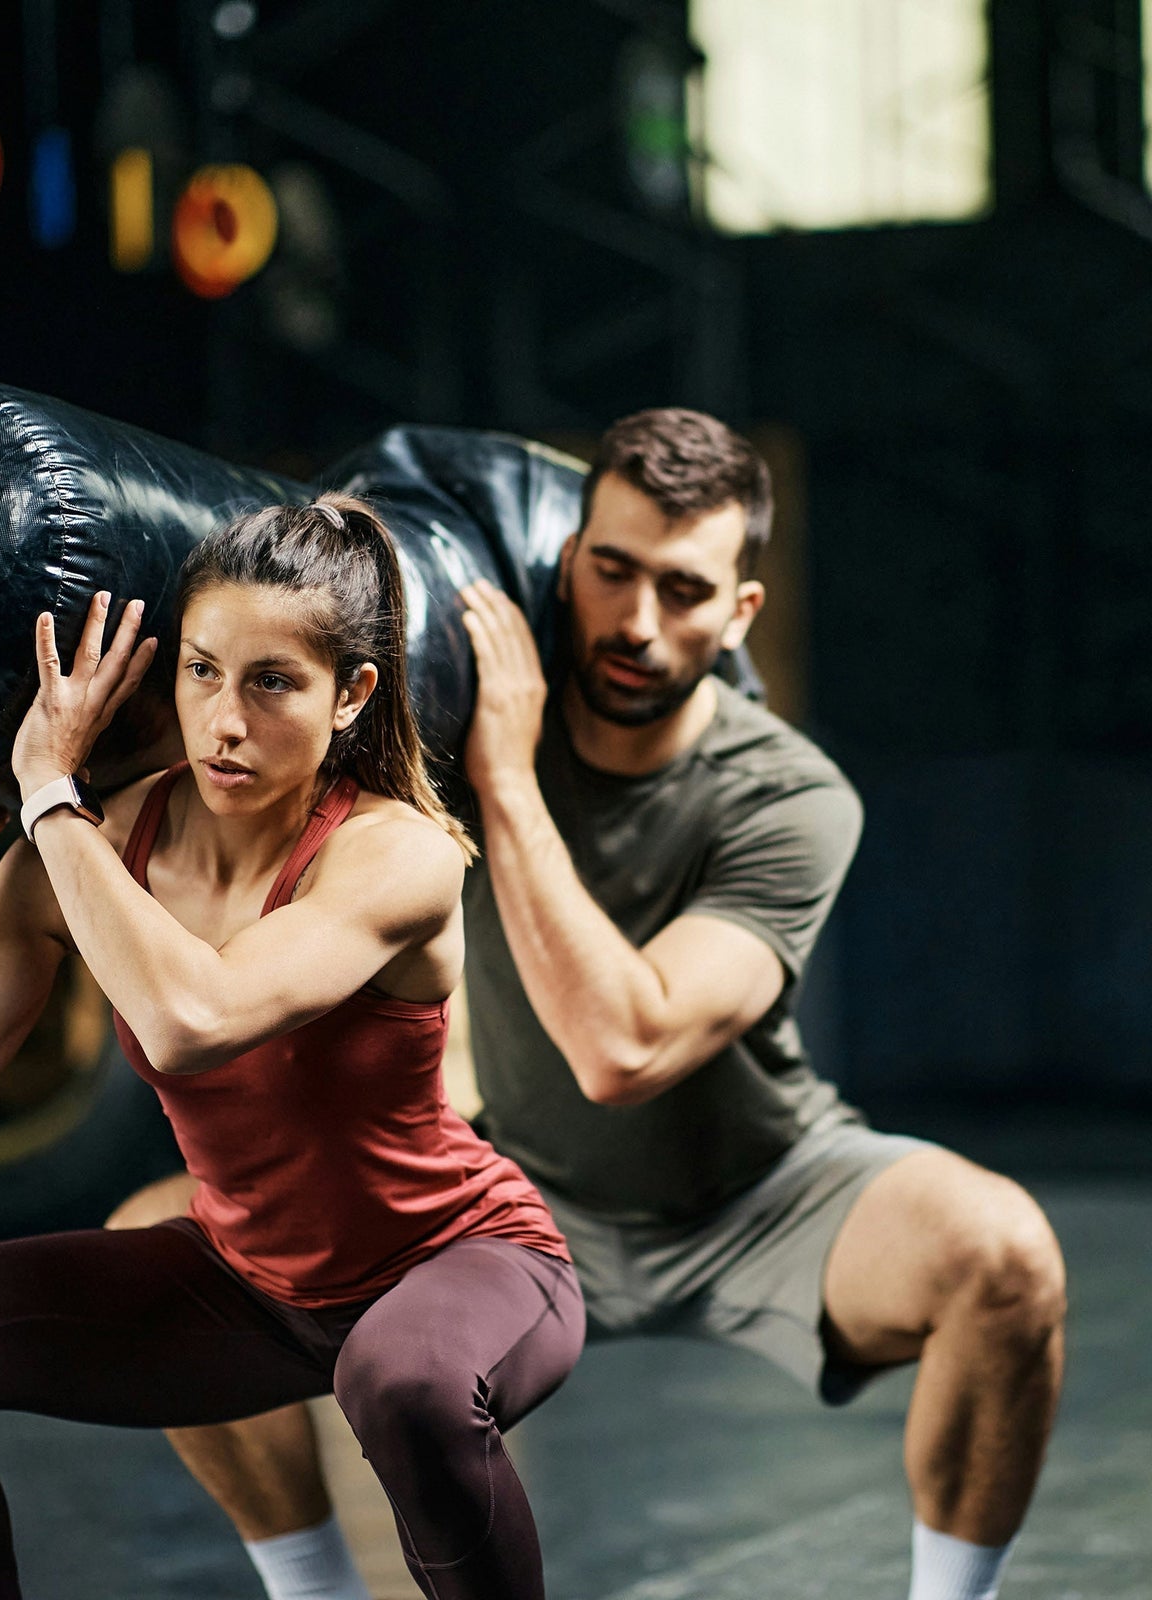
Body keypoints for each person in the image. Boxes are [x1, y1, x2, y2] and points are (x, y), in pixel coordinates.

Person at [116, 411, 1068, 1600]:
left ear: (740, 612)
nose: (636, 622)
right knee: (157, 1241)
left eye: (683, 589)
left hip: (756, 1188)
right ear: (566, 561)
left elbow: (628, 1048)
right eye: (612, 570)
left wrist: (509, 785)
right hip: (502, 1193)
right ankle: (314, 1590)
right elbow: (260, 667)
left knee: (1002, 1253)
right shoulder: (440, 717)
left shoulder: (789, 793)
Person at [0, 494, 585, 1600]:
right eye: (202, 672)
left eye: (272, 683)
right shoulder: (93, 847)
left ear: (351, 694)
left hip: (461, 1264)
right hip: (250, 1287)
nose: (224, 721)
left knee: (401, 1384)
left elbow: (195, 1020)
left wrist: (49, 796)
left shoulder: (395, 853)